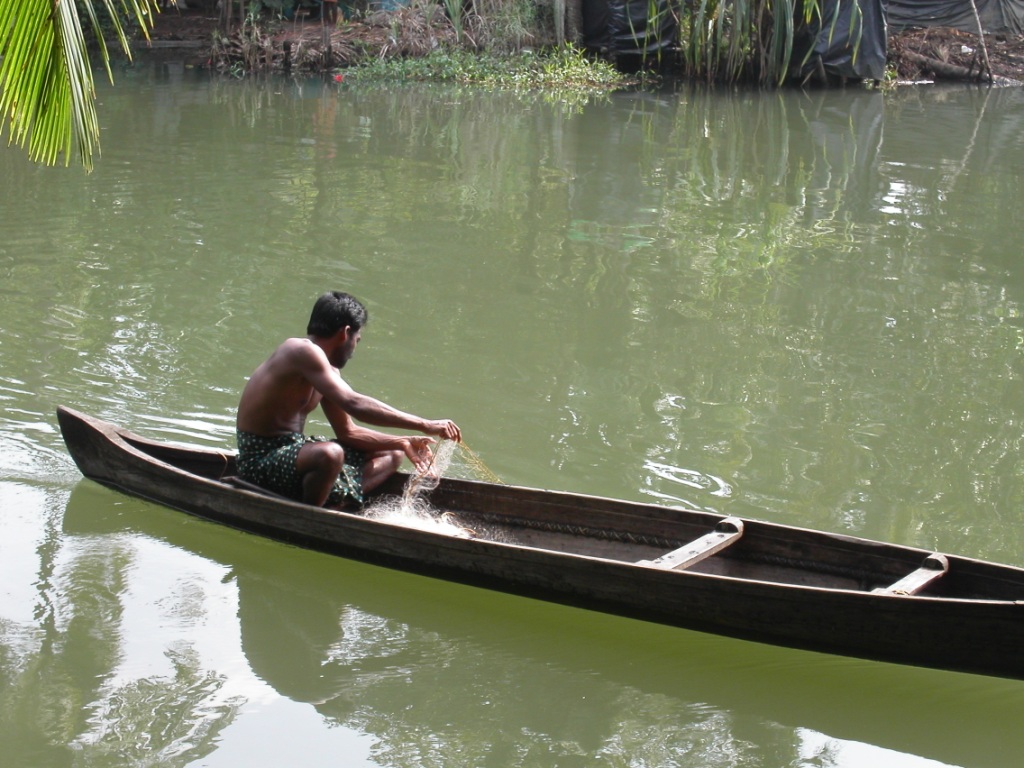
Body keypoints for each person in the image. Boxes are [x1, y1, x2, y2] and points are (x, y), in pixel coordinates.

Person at [236, 291, 461, 508]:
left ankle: (337, 505)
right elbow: (354, 403)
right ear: (345, 333)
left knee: (393, 453)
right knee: (330, 454)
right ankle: (309, 515)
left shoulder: (327, 372)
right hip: (260, 461)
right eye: (357, 339)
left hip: (292, 453)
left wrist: (402, 441)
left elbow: (349, 433)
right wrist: (425, 425)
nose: (354, 349)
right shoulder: (299, 350)